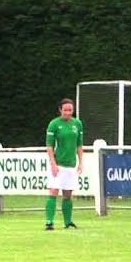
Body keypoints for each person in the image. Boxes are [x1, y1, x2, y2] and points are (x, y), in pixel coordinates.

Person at [44, 98, 85, 230]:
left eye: (70, 110)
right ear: (60, 110)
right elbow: (49, 146)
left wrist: (81, 162)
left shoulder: (77, 124)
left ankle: (68, 222)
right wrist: (53, 163)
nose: (68, 112)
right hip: (58, 163)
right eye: (65, 110)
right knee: (53, 191)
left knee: (68, 194)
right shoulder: (54, 124)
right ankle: (49, 222)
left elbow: (79, 144)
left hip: (71, 164)